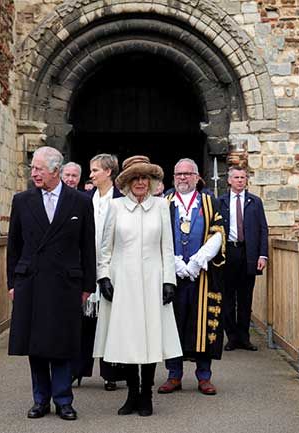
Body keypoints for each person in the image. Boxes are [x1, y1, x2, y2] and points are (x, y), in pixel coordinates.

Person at [7, 146, 96, 421]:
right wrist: (12, 283)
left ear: (55, 171)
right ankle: (40, 399)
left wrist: (87, 286)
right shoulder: (21, 201)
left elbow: (87, 245)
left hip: (65, 283)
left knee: (62, 342)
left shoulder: (79, 201)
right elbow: (14, 246)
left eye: (39, 169)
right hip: (31, 280)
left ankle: (64, 400)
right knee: (36, 344)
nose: (34, 173)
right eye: (32, 168)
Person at [93, 155, 182, 417]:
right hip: (124, 282)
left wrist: (169, 280)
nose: (141, 182)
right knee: (128, 338)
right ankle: (132, 393)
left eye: (145, 178)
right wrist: (104, 277)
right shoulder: (116, 207)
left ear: (152, 181)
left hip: (154, 280)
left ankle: (147, 394)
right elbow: (105, 248)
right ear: (127, 182)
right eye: (136, 178)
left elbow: (167, 247)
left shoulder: (161, 207)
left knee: (151, 337)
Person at [158, 158, 225, 396]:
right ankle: (173, 375)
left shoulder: (209, 201)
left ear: (197, 177)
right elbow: (158, 236)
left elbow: (218, 233)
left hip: (201, 275)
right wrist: (176, 263)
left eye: (188, 174)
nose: (183, 178)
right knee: (173, 324)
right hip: (173, 274)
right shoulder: (163, 203)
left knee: (202, 324)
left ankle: (204, 376)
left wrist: (198, 261)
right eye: (178, 174)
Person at [73, 153, 124, 391]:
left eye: (95, 170)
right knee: (84, 321)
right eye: (90, 170)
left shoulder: (121, 200)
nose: (91, 174)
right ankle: (78, 369)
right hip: (86, 266)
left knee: (110, 322)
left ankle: (110, 373)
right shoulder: (84, 199)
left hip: (112, 267)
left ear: (108, 172)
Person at [219, 165, 268, 351]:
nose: (240, 180)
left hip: (248, 253)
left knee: (246, 298)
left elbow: (263, 229)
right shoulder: (221, 201)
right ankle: (231, 337)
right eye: (236, 177)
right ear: (229, 180)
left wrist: (262, 255)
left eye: (243, 177)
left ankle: (244, 337)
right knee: (228, 298)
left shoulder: (255, 202)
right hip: (229, 252)